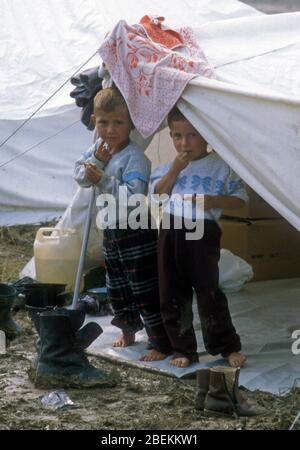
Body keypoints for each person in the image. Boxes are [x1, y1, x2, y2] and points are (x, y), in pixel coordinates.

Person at [74, 86, 171, 361]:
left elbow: (135, 196)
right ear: (94, 121)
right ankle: (128, 330)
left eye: (118, 122)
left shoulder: (136, 158)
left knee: (144, 285)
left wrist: (102, 178)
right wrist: (96, 162)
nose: (111, 129)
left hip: (135, 229)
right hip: (111, 229)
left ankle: (159, 340)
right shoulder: (99, 149)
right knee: (117, 285)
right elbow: (79, 174)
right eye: (103, 122)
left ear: (131, 124)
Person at [149, 106, 248, 368]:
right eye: (177, 136)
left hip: (202, 232)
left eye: (192, 135)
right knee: (171, 291)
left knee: (208, 291)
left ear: (206, 135)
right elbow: (157, 196)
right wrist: (174, 171)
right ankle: (182, 349)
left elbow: (240, 200)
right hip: (170, 230)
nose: (184, 143)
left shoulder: (222, 166)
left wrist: (214, 200)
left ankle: (226, 346)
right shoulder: (166, 168)